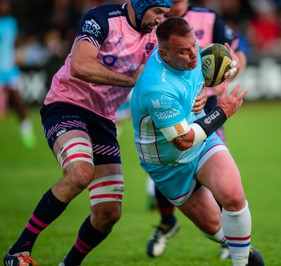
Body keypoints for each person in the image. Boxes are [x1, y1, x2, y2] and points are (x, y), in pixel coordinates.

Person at [3, 1, 173, 265]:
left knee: (109, 213)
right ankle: (18, 251)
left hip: (103, 119)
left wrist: (196, 93)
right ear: (140, 5)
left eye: (165, 14)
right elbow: (80, 66)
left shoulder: (157, 35)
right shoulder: (102, 18)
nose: (160, 19)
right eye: (158, 12)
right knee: (80, 173)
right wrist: (131, 80)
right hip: (66, 105)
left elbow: (171, 72)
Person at [130, 16, 264, 266]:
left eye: (193, 45)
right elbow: (182, 141)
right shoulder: (157, 88)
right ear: (166, 55)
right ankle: (236, 246)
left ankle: (241, 262)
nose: (194, 55)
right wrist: (223, 111)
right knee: (214, 227)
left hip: (202, 144)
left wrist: (217, 78)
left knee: (233, 197)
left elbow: (200, 79)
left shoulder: (193, 57)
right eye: (184, 51)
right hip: (168, 165)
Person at [0, 0, 36, 149]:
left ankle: (26, 131)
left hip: (10, 69)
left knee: (18, 100)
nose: (4, 6)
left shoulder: (11, 22)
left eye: (6, 3)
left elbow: (14, 43)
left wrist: (18, 56)